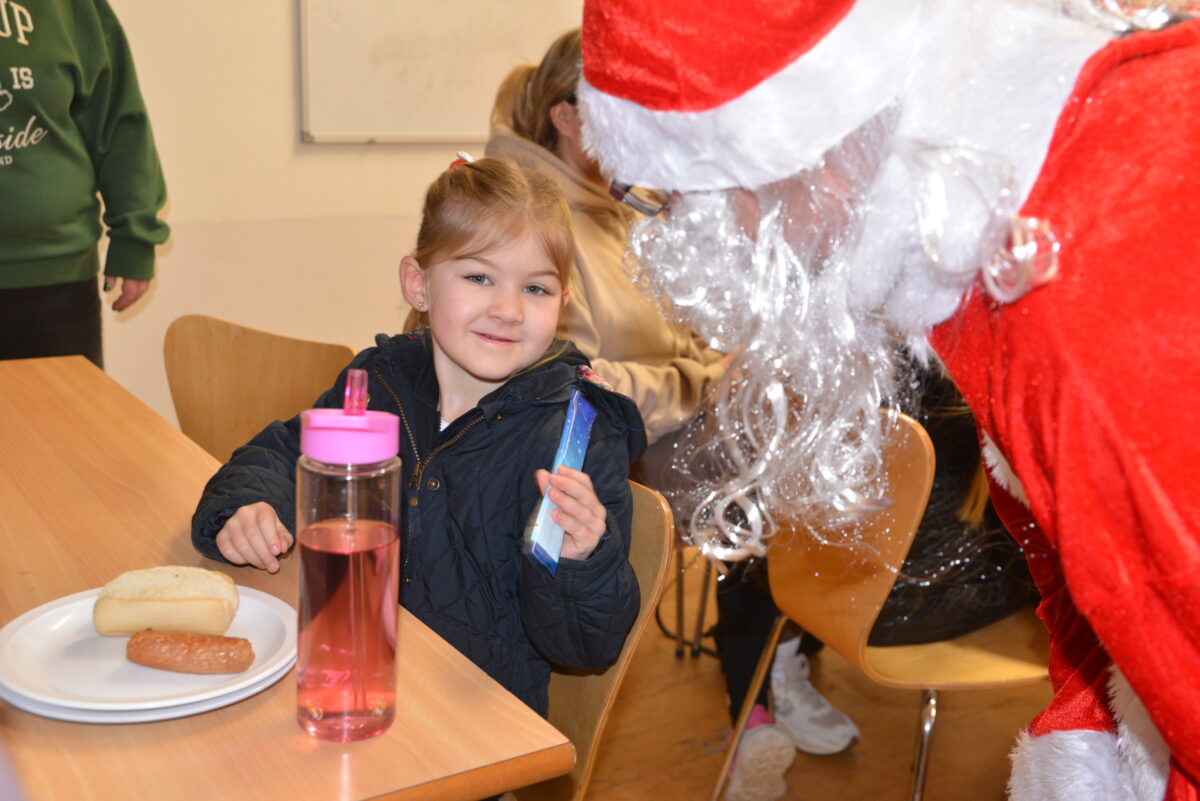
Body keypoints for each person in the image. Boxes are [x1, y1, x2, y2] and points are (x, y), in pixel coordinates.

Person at [577, 1, 1200, 799]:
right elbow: (1098, 608)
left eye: (675, 194)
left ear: (794, 139)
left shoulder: (1086, 286)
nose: (688, 233)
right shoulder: (970, 245)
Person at [484, 29, 860, 800]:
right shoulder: (532, 218)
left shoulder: (617, 201)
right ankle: (755, 702)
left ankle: (784, 659)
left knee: (812, 438)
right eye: (628, 114)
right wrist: (705, 378)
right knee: (768, 478)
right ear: (567, 117)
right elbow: (573, 381)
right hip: (606, 447)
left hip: (670, 420)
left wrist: (727, 357)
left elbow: (678, 329)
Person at [191, 156, 644, 721]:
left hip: (474, 720)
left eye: (535, 288)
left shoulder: (577, 438)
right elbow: (286, 453)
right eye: (479, 277)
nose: (508, 310)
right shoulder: (383, 384)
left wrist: (584, 560)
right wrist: (248, 506)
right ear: (419, 284)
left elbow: (586, 649)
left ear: (563, 306)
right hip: (353, 671)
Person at [0, 0, 169, 369]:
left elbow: (118, 118)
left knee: (62, 409)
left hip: (55, 285)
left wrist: (135, 237)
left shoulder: (73, 7)